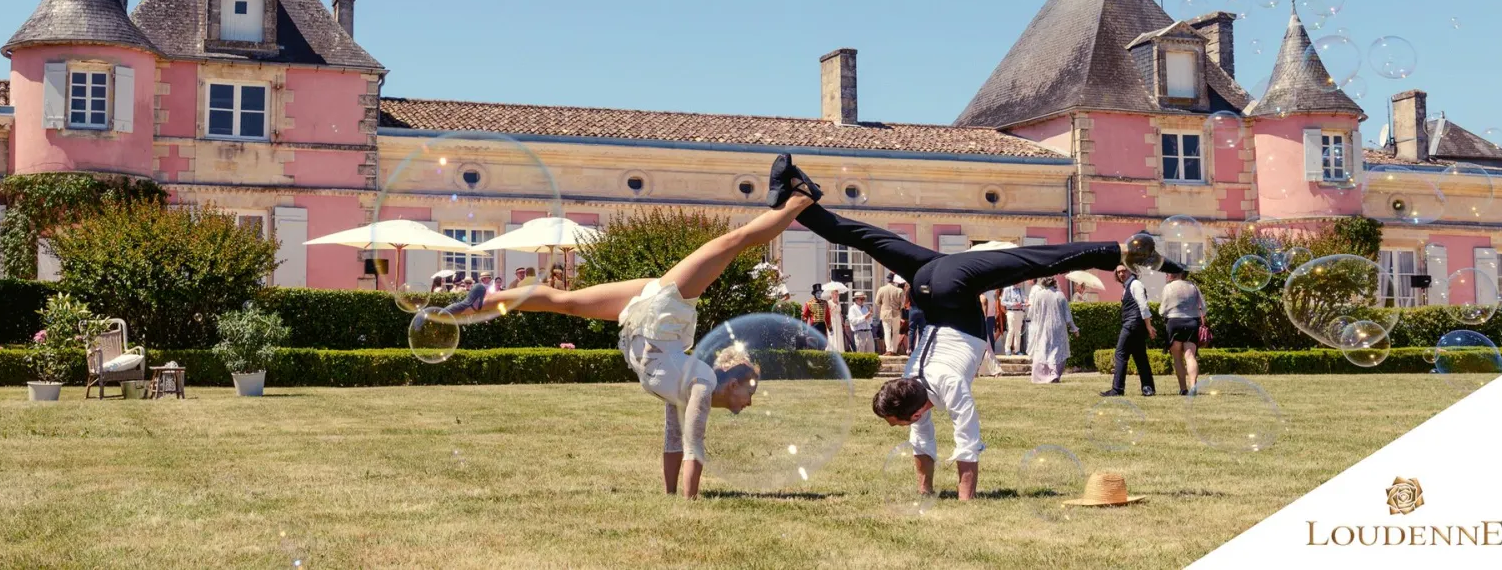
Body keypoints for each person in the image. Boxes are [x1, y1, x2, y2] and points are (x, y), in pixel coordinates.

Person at [772, 154, 1178, 501]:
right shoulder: (909, 382)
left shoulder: (944, 385)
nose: (902, 428)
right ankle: (800, 198)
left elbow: (965, 442)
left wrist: (964, 502)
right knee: (868, 239)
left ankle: (1120, 251)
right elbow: (928, 437)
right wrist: (925, 494)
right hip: (930, 282)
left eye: (899, 421)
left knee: (1030, 259)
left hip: (949, 288)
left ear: (912, 412)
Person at [437, 159, 821, 499]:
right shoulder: (700, 382)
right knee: (733, 241)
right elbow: (693, 445)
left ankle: (479, 305)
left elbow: (679, 441)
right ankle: (801, 197)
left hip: (647, 313)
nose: (748, 404)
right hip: (666, 303)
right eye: (749, 392)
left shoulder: (690, 387)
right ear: (732, 380)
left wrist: (676, 500)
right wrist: (689, 503)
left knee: (567, 301)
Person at [1101, 265, 1159, 397]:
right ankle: (1148, 388)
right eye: (1119, 271)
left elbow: (1143, 306)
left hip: (1131, 324)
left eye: (1124, 270)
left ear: (1131, 271)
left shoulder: (1135, 284)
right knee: (1140, 357)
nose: (1121, 274)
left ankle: (1117, 389)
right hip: (1136, 324)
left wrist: (1149, 326)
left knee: (1120, 354)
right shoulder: (1129, 286)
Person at [1160, 271, 1206, 395]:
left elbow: (1162, 309)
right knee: (1190, 356)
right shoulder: (1193, 286)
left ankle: (1183, 389)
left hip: (1174, 322)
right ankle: (1193, 387)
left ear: (1174, 274)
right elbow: (1203, 307)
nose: (1167, 275)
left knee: (1177, 358)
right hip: (1192, 322)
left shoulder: (1168, 287)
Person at [1025, 277, 1078, 384]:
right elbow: (1068, 316)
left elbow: (1033, 312)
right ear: (1054, 283)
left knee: (1043, 348)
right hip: (1058, 326)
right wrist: (1074, 328)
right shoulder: (1060, 295)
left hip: (1043, 326)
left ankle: (1043, 375)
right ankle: (1054, 374)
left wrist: (1032, 323)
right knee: (1057, 350)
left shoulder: (1039, 295)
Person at [875, 274, 906, 355]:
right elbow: (903, 304)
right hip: (896, 313)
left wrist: (884, 305)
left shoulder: (881, 289)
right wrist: (898, 308)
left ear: (887, 280)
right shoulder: (899, 290)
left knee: (887, 331)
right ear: (894, 280)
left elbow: (877, 302)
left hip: (885, 313)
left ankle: (889, 350)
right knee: (896, 332)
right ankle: (894, 350)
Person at [977, 289, 1004, 377]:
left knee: (987, 348)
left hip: (981, 325)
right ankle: (981, 371)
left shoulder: (983, 298)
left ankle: (996, 370)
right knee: (985, 348)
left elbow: (984, 315)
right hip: (979, 324)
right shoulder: (981, 298)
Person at [1001, 283, 1027, 355]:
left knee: (1018, 332)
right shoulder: (1007, 289)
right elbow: (1002, 302)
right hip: (1011, 312)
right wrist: (1013, 304)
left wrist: (1023, 305)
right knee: (1011, 330)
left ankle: (1017, 350)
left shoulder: (1021, 290)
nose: (1020, 283)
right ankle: (1007, 349)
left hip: (1019, 312)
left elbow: (1025, 301)